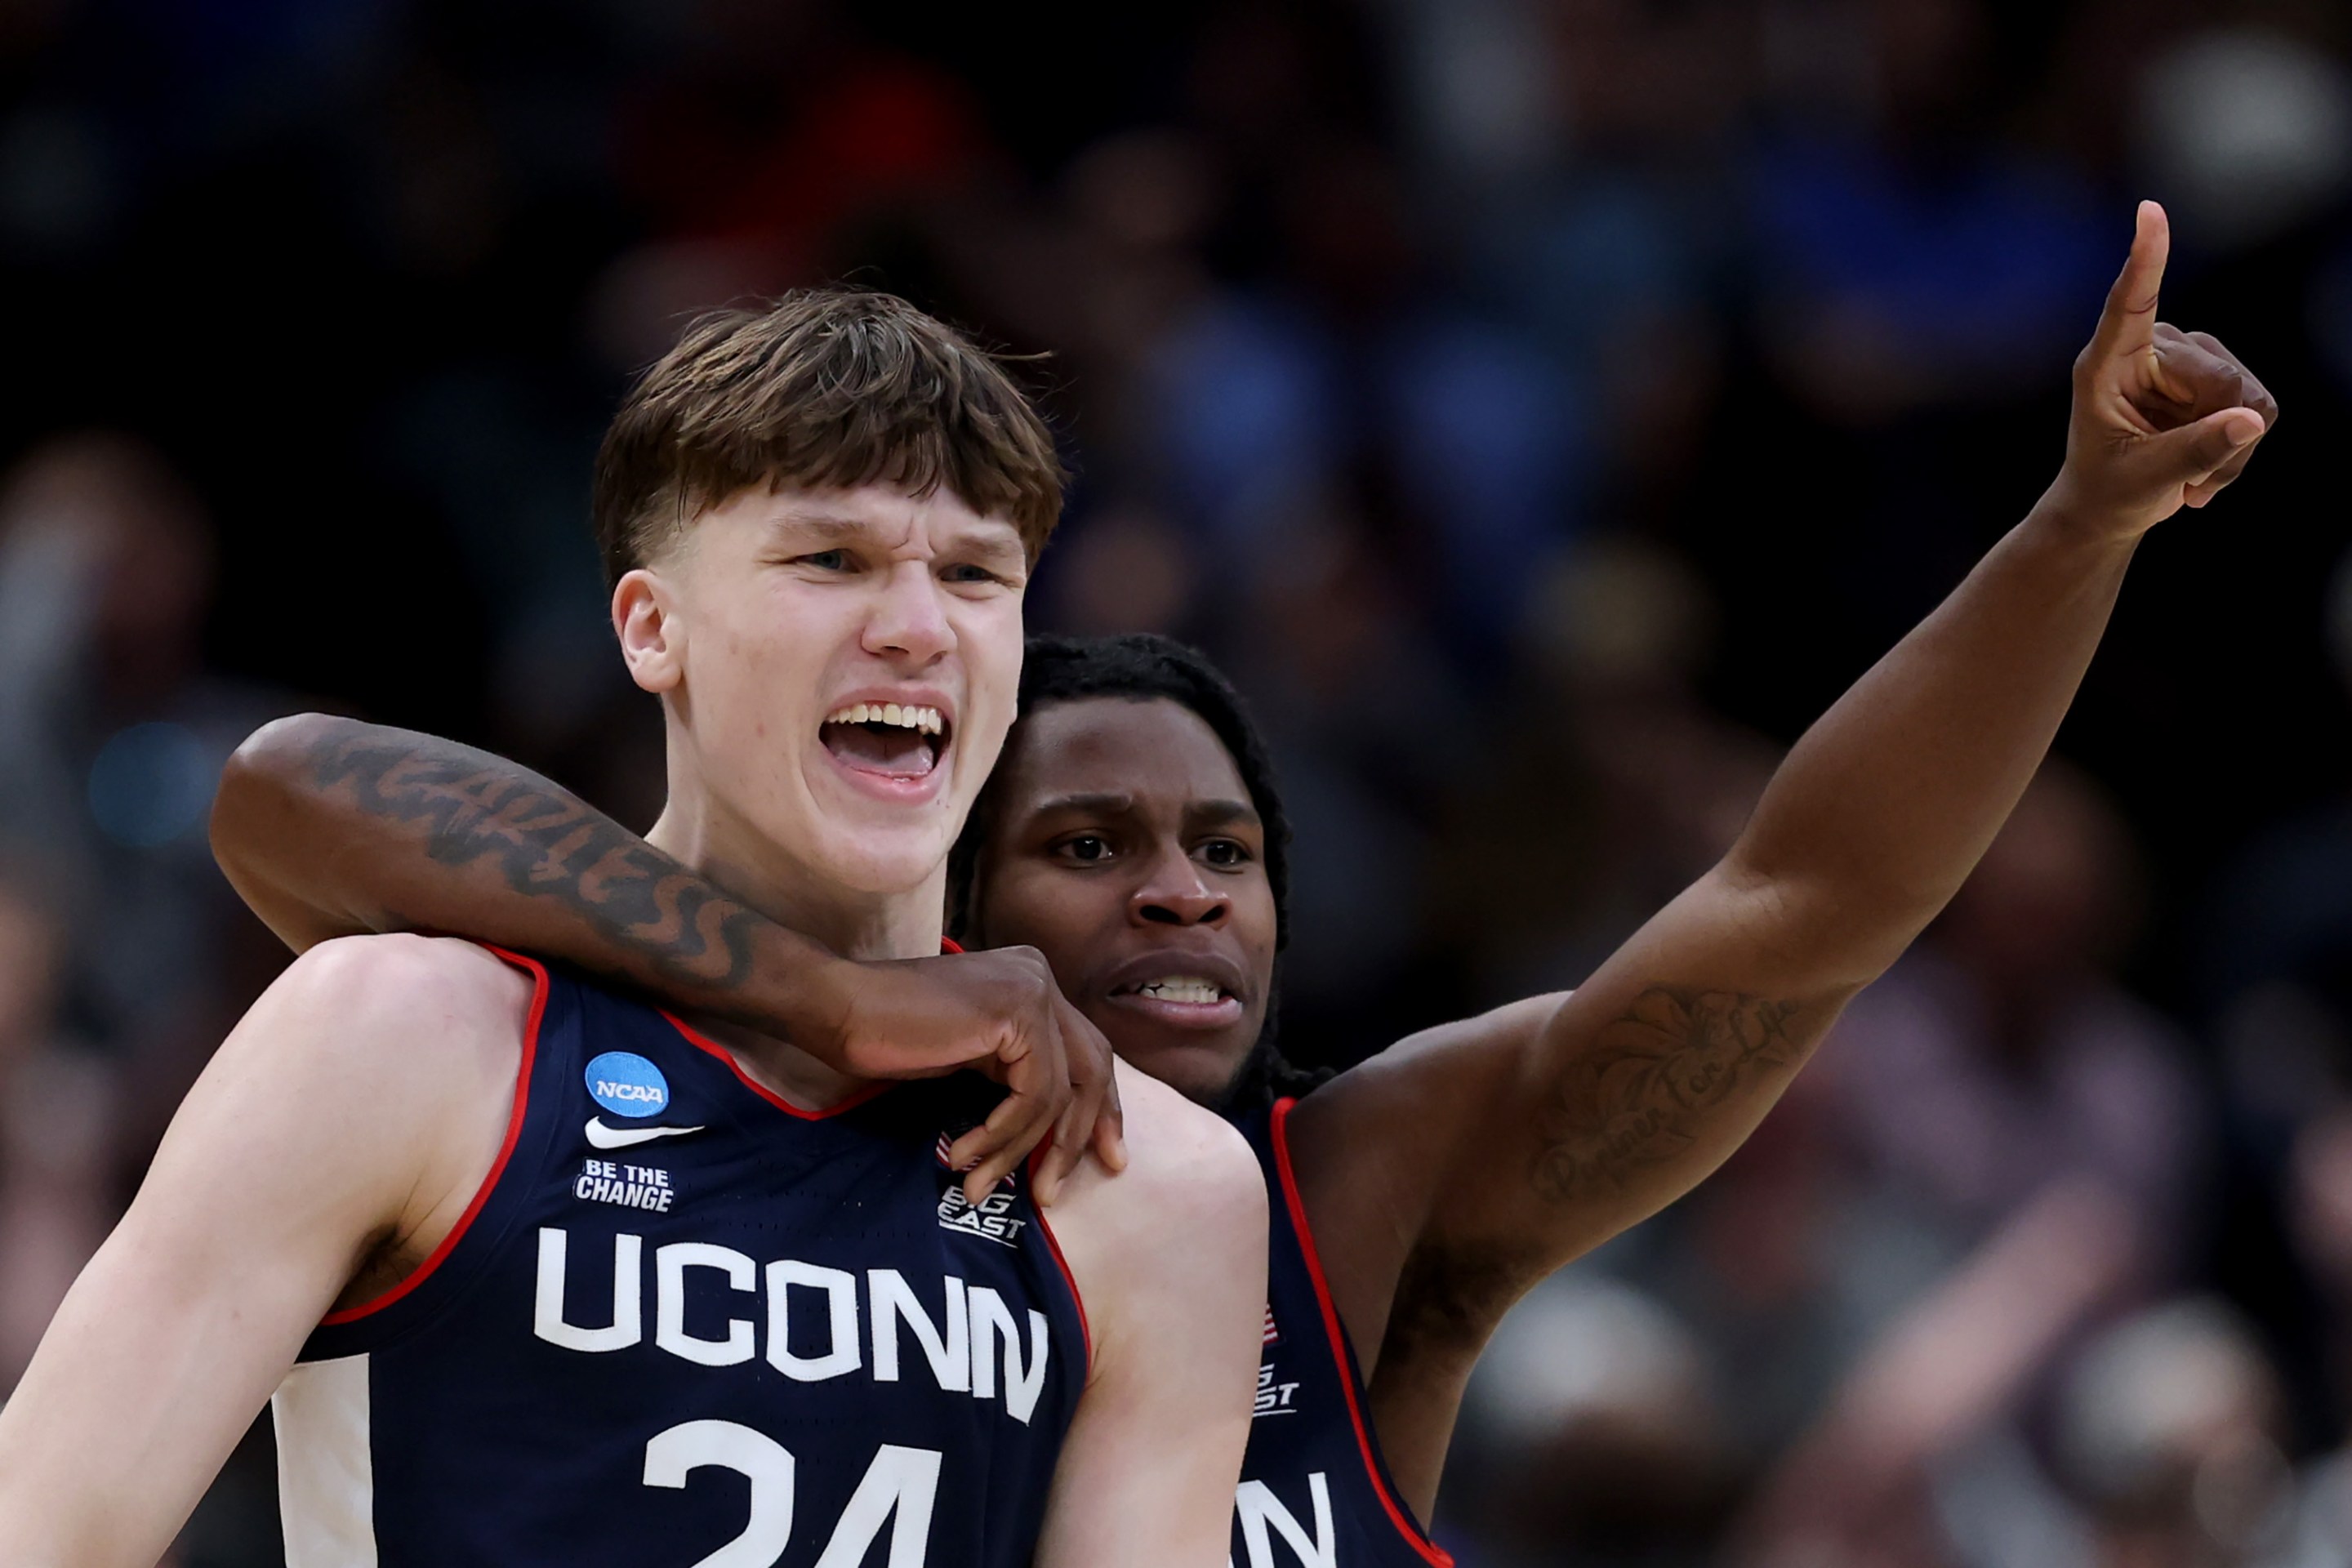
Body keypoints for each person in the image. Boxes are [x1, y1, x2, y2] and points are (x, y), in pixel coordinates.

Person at [212, 201, 2273, 1566]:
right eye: (1091, 849)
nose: (1185, 897)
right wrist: (822, 995)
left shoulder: (1353, 1193)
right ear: (948, 871)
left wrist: (2080, 531)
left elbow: (1807, 900)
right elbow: (305, 798)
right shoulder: (757, 1181)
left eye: (1230, 852)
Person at [0, 291, 1269, 1568]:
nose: (917, 626)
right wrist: (835, 996)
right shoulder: (403, 1037)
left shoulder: (1157, 1184)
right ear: (652, 628)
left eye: (974, 574)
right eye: (830, 560)